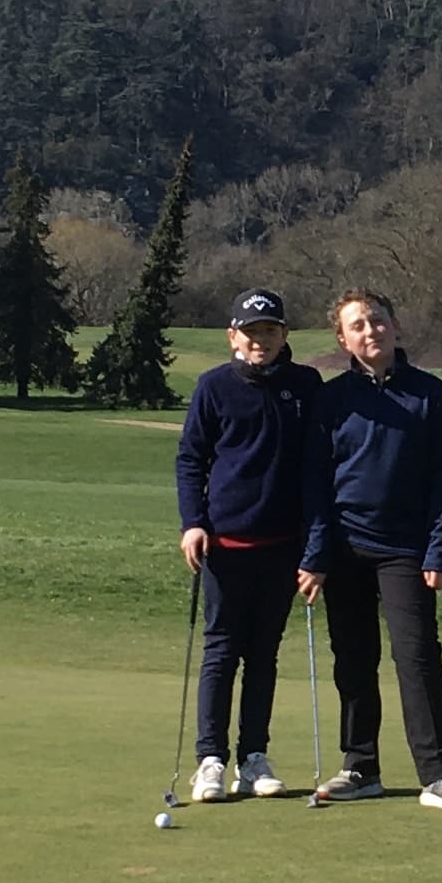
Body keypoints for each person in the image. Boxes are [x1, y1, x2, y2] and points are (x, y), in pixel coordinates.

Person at [300, 289, 442, 813]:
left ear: (395, 326)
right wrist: (314, 556)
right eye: (357, 325)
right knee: (353, 660)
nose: (370, 331)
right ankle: (360, 768)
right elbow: (316, 484)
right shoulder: (331, 400)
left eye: (377, 321)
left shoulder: (430, 394)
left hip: (407, 549)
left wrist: (439, 550)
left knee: (418, 660)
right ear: (342, 338)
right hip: (344, 545)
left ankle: (439, 775)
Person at [174, 288, 324, 803]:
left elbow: (315, 469)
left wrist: (313, 549)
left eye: (270, 331)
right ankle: (210, 759)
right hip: (224, 544)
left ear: (285, 336)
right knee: (222, 651)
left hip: (281, 544)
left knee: (263, 655)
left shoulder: (305, 385)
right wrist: (193, 522)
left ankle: (253, 758)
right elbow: (191, 459)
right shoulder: (214, 386)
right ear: (233, 336)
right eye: (252, 331)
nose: (261, 340)